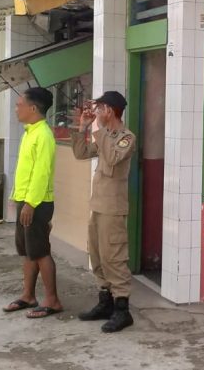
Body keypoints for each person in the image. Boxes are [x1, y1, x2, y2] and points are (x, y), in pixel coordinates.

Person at [71, 91, 137, 333]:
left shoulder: (125, 137)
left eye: (100, 108)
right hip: (98, 205)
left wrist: (98, 129)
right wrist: (83, 127)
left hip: (113, 208)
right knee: (97, 255)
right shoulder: (104, 134)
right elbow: (80, 153)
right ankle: (105, 302)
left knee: (114, 257)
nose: (96, 112)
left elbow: (110, 158)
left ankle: (122, 310)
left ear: (110, 110)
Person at [1, 87, 63, 319]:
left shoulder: (43, 135)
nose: (16, 108)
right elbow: (25, 171)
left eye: (20, 104)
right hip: (25, 201)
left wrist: (30, 203)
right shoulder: (30, 133)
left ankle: (52, 299)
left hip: (37, 203)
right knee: (27, 251)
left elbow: (41, 173)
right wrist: (16, 198)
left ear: (33, 108)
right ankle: (28, 295)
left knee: (40, 251)